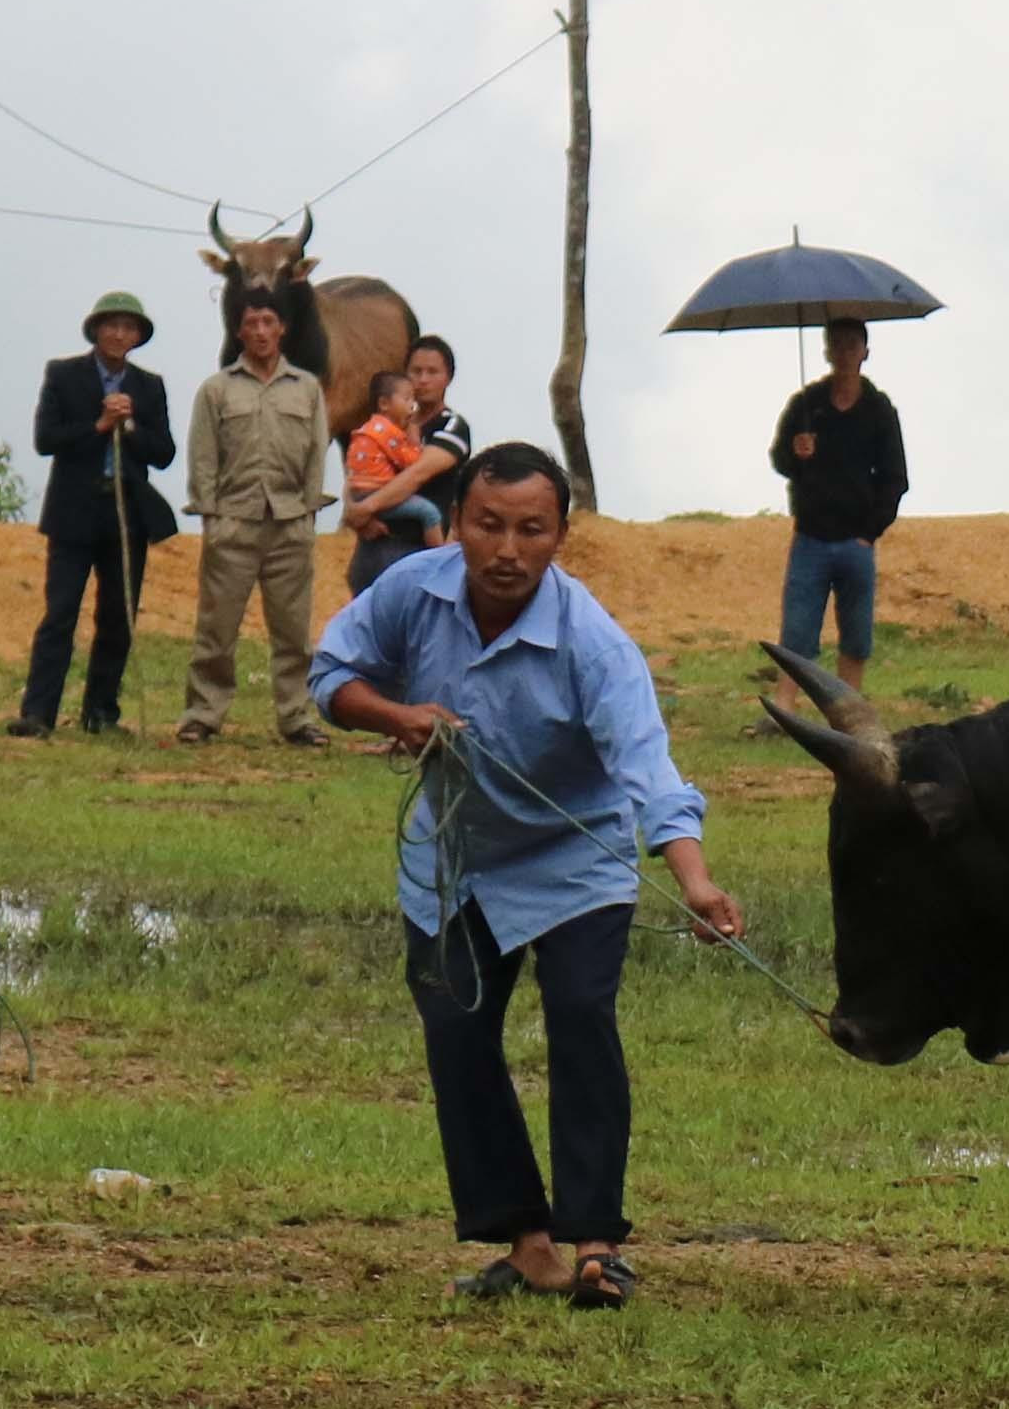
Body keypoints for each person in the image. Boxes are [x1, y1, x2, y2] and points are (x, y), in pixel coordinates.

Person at [311, 441, 743, 1312]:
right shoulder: (410, 591)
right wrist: (400, 714)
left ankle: (597, 1245)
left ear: (561, 537)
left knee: (582, 1017)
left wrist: (695, 882)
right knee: (458, 1031)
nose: (507, 550)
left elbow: (650, 773)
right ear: (458, 524)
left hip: (575, 861)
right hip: (453, 861)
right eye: (490, 526)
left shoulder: (592, 640)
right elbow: (330, 676)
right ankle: (528, 1244)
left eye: (531, 530)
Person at [10, 292, 179, 737]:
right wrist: (99, 427)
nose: (119, 334)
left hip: (125, 514)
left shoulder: (149, 385)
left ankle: (101, 712)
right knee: (60, 612)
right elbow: (46, 439)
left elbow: (164, 454)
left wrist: (131, 428)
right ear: (96, 330)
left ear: (139, 336)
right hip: (73, 511)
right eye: (111, 325)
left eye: (129, 327)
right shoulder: (64, 375)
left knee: (118, 616)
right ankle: (38, 713)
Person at [179, 288, 333, 748]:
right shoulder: (217, 388)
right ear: (238, 330)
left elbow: (315, 454)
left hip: (290, 522)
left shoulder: (306, 388)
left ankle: (295, 717)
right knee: (216, 628)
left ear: (282, 327)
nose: (260, 332)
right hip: (233, 521)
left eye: (269, 321)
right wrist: (210, 514)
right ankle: (203, 715)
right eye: (251, 324)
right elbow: (203, 455)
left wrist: (307, 516)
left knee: (293, 630)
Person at [763, 317, 908, 718]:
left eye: (851, 344)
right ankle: (785, 707)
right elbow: (780, 459)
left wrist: (871, 531)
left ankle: (848, 712)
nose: (843, 352)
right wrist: (798, 450)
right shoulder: (806, 405)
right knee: (797, 627)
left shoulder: (879, 411)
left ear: (865, 352)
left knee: (856, 632)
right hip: (810, 536)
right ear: (826, 351)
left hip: (856, 541)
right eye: (836, 344)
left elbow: (895, 478)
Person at [345, 333, 474, 596]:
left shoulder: (452, 427)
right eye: (416, 371)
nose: (423, 379)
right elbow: (356, 473)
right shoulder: (383, 426)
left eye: (432, 372)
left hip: (417, 551)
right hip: (372, 546)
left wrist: (366, 507)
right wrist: (356, 514)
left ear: (448, 378)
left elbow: (417, 474)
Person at [343, 371, 447, 560]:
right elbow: (411, 463)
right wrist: (415, 442)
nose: (412, 406)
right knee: (429, 512)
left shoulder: (368, 428)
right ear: (384, 403)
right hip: (375, 492)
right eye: (407, 400)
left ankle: (373, 521)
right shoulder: (388, 432)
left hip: (358, 493)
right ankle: (440, 559)